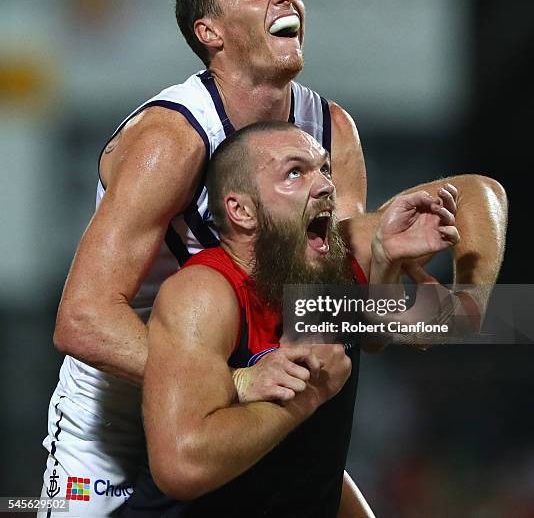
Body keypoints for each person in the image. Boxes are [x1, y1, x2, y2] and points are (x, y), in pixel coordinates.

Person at [40, 0, 508, 516]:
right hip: (127, 398)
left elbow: (331, 300)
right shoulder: (172, 139)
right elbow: (82, 319)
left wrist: (443, 304)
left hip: (249, 370)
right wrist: (229, 380)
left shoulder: (328, 129)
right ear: (209, 32)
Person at [121, 121, 460, 517]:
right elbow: (181, 467)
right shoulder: (204, 295)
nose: (326, 185)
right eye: (295, 172)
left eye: (324, 169)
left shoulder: (319, 268)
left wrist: (386, 265)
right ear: (242, 211)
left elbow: (377, 333)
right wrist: (307, 397)